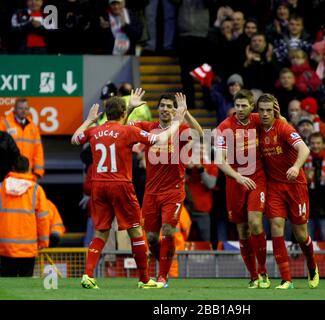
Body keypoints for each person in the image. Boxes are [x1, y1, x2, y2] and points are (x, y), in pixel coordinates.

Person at [71, 93, 187, 289]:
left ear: (106, 114)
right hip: (120, 185)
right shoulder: (127, 131)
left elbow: (75, 139)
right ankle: (144, 279)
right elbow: (160, 139)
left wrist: (89, 120)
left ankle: (88, 275)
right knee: (135, 231)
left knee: (100, 232)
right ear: (124, 113)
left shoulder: (95, 131)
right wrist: (177, 120)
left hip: (98, 186)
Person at [130, 92, 203, 288]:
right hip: (151, 192)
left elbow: (200, 135)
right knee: (152, 238)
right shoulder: (149, 128)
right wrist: (131, 108)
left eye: (169, 106)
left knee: (168, 231)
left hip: (174, 191)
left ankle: (163, 276)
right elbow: (126, 128)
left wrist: (185, 114)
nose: (164, 109)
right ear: (158, 108)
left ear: (174, 110)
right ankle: (160, 265)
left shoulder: (181, 129)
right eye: (162, 105)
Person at [257, 93, 319, 289]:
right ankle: (287, 279)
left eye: (269, 110)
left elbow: (304, 149)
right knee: (276, 226)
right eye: (262, 110)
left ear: (274, 110)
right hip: (274, 186)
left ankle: (311, 263)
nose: (265, 114)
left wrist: (296, 166)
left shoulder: (283, 127)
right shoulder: (257, 128)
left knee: (300, 234)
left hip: (295, 186)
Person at [214, 89, 270, 289]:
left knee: (255, 222)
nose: (239, 109)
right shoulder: (224, 127)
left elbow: (282, 127)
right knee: (242, 230)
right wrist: (238, 176)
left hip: (257, 179)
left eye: (243, 106)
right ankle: (254, 276)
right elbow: (219, 160)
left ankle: (263, 272)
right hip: (235, 181)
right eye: (237, 105)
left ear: (251, 105)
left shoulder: (259, 119)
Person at [0, 155, 50, 277]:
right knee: (25, 287)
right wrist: (43, 242)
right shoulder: (36, 190)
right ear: (29, 168)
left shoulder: (1, 188)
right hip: (28, 249)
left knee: (6, 287)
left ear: (12, 167)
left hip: (5, 248)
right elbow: (43, 219)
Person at [304, 132, 325, 242]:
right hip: (309, 211)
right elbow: (297, 188)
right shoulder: (303, 162)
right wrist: (306, 181)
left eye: (318, 143)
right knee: (308, 243)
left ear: (324, 144)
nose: (315, 146)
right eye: (312, 143)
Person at [0, 98, 45, 179]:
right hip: (9, 173)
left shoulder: (33, 127)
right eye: (21, 108)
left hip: (28, 173)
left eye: (26, 108)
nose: (24, 111)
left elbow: (38, 151)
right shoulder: (4, 124)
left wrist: (38, 171)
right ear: (15, 109)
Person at [185, 143, 218, 242]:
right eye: (197, 149)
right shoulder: (186, 163)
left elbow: (211, 184)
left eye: (202, 149)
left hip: (203, 211)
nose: (199, 152)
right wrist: (189, 169)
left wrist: (200, 168)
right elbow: (180, 182)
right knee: (186, 240)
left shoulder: (211, 165)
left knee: (205, 241)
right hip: (187, 210)